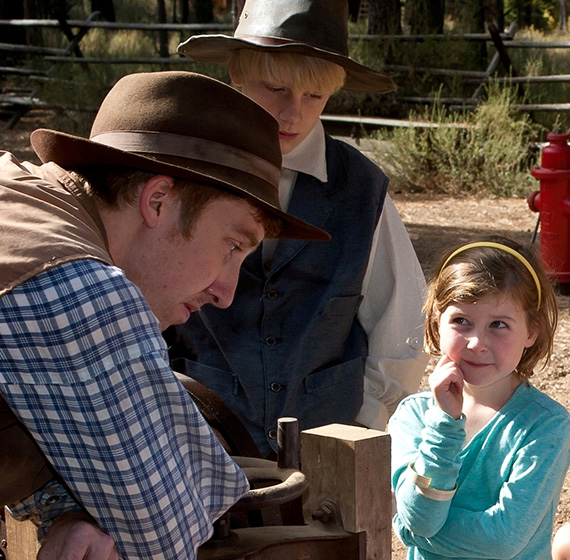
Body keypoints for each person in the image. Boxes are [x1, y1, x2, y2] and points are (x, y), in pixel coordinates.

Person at [0, 70, 328, 559]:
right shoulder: (76, 290)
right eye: (233, 245)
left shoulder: (17, 197)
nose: (227, 292)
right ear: (157, 200)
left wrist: (67, 510)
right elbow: (163, 534)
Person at [167, 0, 429, 458]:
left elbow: (400, 331)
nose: (293, 113)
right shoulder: (184, 174)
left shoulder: (361, 191)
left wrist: (360, 431)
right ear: (236, 73)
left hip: (330, 453)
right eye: (276, 89)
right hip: (196, 446)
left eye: (314, 97)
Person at [389, 238, 570, 559]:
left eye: (499, 324)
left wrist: (410, 531)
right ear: (436, 322)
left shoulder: (547, 424)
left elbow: (502, 540)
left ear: (532, 331)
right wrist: (444, 425)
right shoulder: (412, 416)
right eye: (461, 321)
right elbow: (420, 517)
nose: (476, 343)